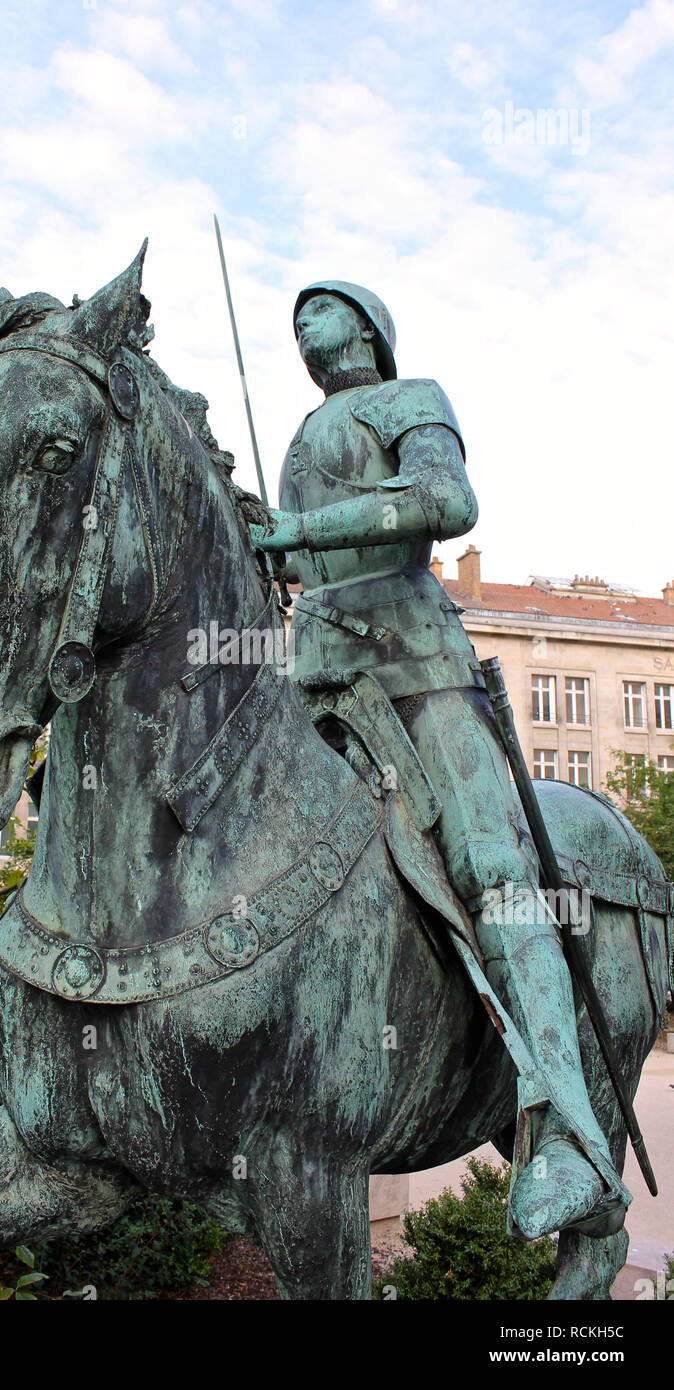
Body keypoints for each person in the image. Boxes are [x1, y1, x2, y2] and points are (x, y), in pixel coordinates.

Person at [248, 280, 630, 1239]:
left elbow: (443, 502)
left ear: (369, 326)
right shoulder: (298, 439)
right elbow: (303, 565)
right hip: (313, 679)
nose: (304, 328)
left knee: (495, 868)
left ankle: (572, 1133)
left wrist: (300, 531)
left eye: (321, 310)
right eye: (295, 319)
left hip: (415, 669)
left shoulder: (411, 398)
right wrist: (265, 547)